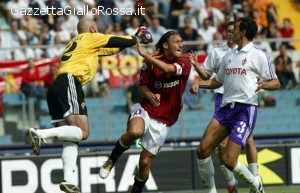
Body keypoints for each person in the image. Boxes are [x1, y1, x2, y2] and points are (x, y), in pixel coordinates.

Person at [26, 18, 153, 193]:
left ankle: (68, 180)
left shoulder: (82, 43)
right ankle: (40, 134)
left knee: (72, 138)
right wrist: (135, 38)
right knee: (83, 132)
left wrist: (130, 41)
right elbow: (112, 39)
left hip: (57, 87)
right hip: (70, 82)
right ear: (93, 29)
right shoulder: (88, 37)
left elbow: (112, 48)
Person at [190, 17, 280, 193]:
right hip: (225, 109)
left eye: (236, 28)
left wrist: (264, 85)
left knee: (230, 160)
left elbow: (276, 82)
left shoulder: (259, 55)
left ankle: (255, 184)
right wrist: (199, 84)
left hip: (245, 110)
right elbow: (217, 81)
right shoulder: (229, 55)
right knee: (202, 150)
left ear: (243, 32)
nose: (232, 32)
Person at [99, 31, 192, 193]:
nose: (181, 45)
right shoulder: (149, 64)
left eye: (181, 41)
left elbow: (168, 69)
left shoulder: (184, 61)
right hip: (146, 109)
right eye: (176, 42)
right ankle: (111, 159)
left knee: (144, 163)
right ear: (165, 45)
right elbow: (141, 86)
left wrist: (144, 54)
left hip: (165, 119)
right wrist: (149, 94)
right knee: (135, 132)